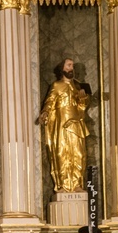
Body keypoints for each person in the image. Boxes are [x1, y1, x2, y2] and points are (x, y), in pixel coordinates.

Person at [39, 58, 90, 193]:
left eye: (72, 66)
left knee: (78, 153)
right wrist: (45, 112)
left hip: (76, 123)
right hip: (61, 124)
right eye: (69, 65)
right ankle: (62, 184)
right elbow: (50, 101)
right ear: (62, 68)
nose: (71, 68)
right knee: (61, 153)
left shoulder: (78, 86)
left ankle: (77, 183)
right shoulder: (57, 85)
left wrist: (83, 99)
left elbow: (82, 107)